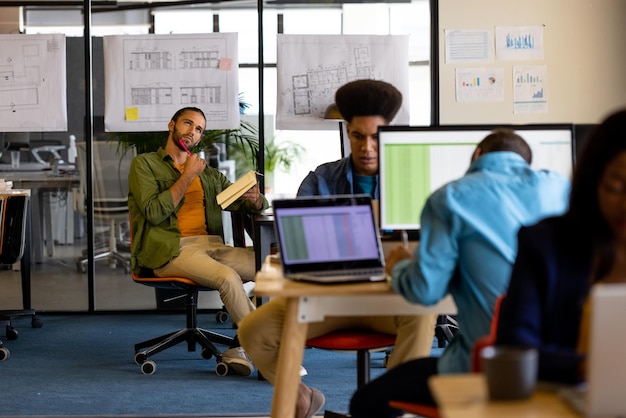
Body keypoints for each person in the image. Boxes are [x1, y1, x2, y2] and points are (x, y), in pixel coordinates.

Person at [239, 79, 437, 418]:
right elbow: (293, 246)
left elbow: (434, 246)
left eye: (376, 137)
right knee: (253, 331)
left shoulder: (414, 180)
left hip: (389, 300)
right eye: (359, 136)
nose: (367, 147)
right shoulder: (321, 180)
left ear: (389, 134)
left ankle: (386, 407)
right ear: (348, 133)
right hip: (327, 300)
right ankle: (299, 397)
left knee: (423, 314)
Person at [347, 128, 571, 417]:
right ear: (525, 162)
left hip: (487, 369)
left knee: (365, 402)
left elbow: (425, 291)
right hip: (562, 366)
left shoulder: (450, 197)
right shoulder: (560, 188)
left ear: (477, 155)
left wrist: (400, 265)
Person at [128, 106, 269, 376]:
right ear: (172, 125)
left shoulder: (209, 174)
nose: (193, 132)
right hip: (172, 250)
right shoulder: (144, 164)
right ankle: (267, 351)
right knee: (227, 277)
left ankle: (239, 348)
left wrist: (256, 200)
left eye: (199, 129)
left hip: (213, 245)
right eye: (188, 124)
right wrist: (187, 175)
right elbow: (154, 212)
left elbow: (239, 203)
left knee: (273, 266)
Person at [496, 108, 626, 385]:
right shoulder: (546, 244)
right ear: (592, 180)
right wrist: (589, 370)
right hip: (561, 398)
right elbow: (516, 345)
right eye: (616, 186)